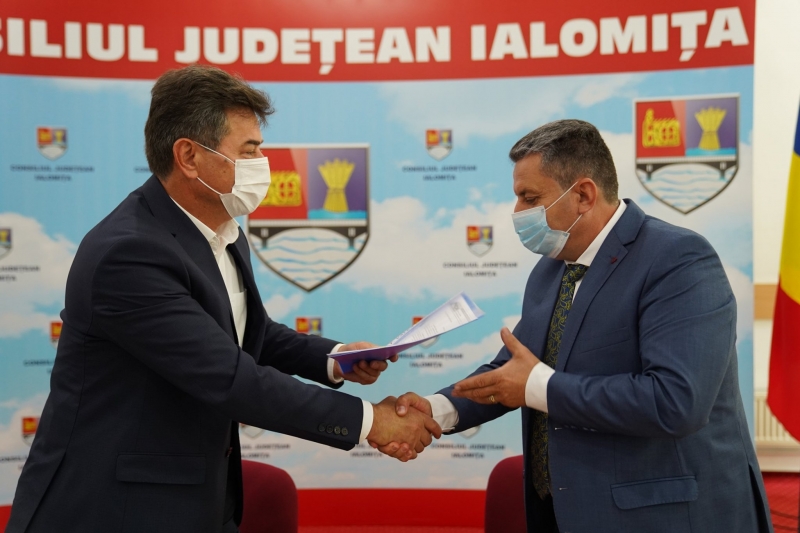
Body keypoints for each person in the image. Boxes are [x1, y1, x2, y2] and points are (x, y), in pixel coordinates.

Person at [6, 65, 439, 533]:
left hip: (201, 501)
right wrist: (370, 421)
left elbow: (249, 333)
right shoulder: (129, 253)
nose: (262, 164)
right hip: (113, 509)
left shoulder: (223, 231)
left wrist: (335, 359)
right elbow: (230, 377)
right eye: (248, 151)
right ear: (189, 156)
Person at [379, 120, 773, 532]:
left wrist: (537, 387)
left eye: (530, 198)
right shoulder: (549, 271)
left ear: (583, 194)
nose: (517, 213)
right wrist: (435, 410)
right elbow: (512, 371)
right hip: (565, 514)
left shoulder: (677, 258)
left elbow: (675, 401)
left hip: (665, 517)